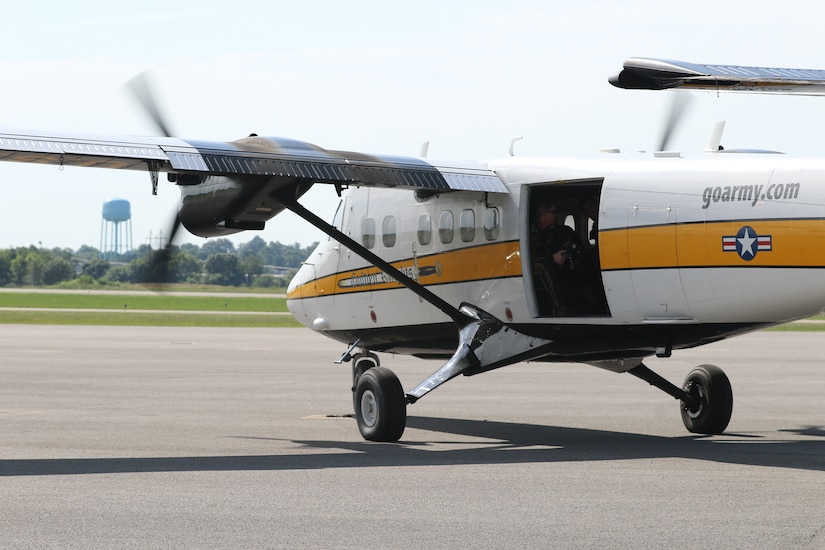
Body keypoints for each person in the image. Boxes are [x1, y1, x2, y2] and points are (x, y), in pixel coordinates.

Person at [530, 201, 581, 316]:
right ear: (543, 214)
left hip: (549, 261)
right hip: (529, 266)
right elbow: (527, 256)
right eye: (553, 212)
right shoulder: (530, 230)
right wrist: (551, 258)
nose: (556, 215)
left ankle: (577, 303)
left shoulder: (552, 230)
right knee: (543, 266)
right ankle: (559, 307)